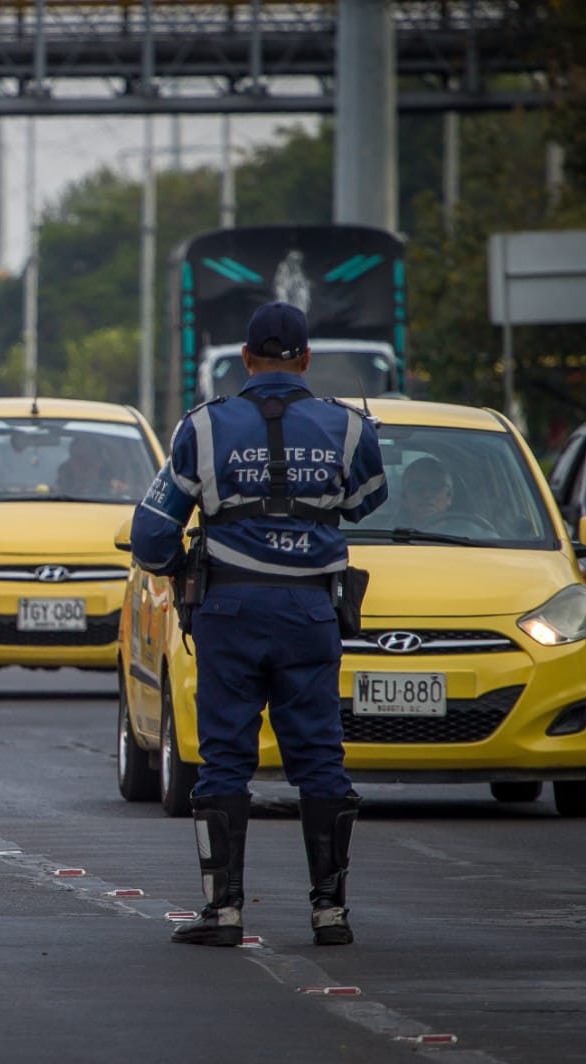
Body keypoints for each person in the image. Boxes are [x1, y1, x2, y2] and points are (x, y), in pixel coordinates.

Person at [129, 300, 388, 948]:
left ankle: (224, 912)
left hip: (230, 615)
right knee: (319, 759)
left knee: (224, 758)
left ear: (245, 360)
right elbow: (367, 501)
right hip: (309, 614)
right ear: (305, 359)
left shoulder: (203, 427)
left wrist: (178, 560)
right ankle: (331, 913)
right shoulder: (348, 427)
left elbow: (150, 536)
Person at [391, 457, 453, 528]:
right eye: (417, 487)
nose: (427, 494)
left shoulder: (465, 535)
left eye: (436, 487)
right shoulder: (385, 536)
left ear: (449, 497)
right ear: (404, 498)